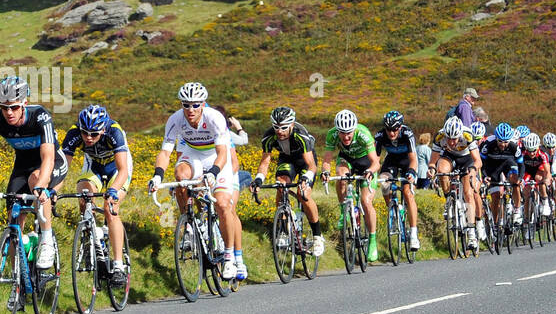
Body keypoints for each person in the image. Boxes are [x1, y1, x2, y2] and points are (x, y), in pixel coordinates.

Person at [0, 76, 67, 288]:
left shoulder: (40, 116)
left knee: (36, 181)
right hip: (22, 165)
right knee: (13, 217)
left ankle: (47, 240)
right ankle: (20, 278)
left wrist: (42, 185)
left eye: (14, 107)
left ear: (24, 103)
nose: (9, 113)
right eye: (4, 108)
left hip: (51, 163)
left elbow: (48, 158)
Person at [147, 82, 246, 283]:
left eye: (195, 105)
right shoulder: (175, 119)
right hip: (194, 154)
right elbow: (165, 152)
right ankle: (190, 225)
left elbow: (222, 153)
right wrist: (157, 175)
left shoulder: (215, 118)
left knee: (223, 204)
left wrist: (214, 172)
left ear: (203, 104)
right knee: (180, 176)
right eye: (186, 105)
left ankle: (229, 256)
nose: (190, 110)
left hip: (217, 157)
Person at [57, 104, 133, 285]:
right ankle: (89, 240)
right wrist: (53, 191)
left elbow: (123, 170)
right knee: (84, 196)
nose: (88, 138)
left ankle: (118, 265)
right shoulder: (74, 133)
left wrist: (113, 190)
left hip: (117, 169)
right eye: (85, 133)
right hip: (94, 167)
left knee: (110, 208)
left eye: (94, 134)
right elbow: (62, 169)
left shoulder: (114, 131)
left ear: (103, 130)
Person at [251, 106, 325, 258]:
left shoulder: (301, 135)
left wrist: (306, 178)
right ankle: (284, 229)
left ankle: (318, 236)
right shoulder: (268, 137)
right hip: (287, 159)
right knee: (280, 186)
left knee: (303, 194)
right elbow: (265, 162)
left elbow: (311, 165)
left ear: (292, 124)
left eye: (284, 127)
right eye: (276, 127)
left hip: (305, 160)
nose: (279, 131)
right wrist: (258, 179)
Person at [320, 109, 381, 262]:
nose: (346, 137)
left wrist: (370, 171)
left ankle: (372, 242)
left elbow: (376, 163)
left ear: (354, 129)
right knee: (341, 177)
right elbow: (327, 159)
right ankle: (344, 210)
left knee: (366, 202)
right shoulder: (332, 134)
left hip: (365, 162)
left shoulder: (363, 133)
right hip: (346, 160)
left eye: (349, 133)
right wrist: (325, 173)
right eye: (342, 133)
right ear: (337, 130)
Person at [431, 116, 485, 248]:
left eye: (454, 138)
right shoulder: (439, 136)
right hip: (449, 157)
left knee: (468, 193)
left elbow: (478, 161)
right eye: (448, 138)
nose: (451, 142)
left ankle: (472, 234)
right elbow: (433, 161)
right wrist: (431, 170)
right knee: (441, 170)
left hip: (467, 159)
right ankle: (449, 200)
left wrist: (472, 170)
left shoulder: (467, 135)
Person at [374, 110, 421, 249]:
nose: (391, 133)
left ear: (400, 127)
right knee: (384, 182)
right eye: (388, 129)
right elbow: (375, 160)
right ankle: (393, 212)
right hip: (392, 161)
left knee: (407, 193)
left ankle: (413, 234)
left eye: (394, 129)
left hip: (408, 161)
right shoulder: (380, 136)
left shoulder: (407, 134)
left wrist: (412, 172)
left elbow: (414, 159)